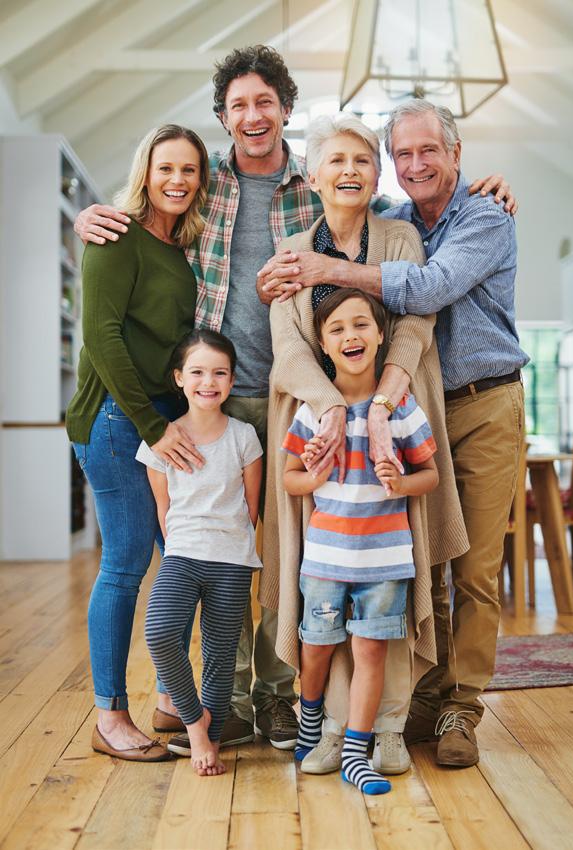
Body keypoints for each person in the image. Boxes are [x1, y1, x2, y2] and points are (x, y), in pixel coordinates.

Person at [73, 45, 517, 756]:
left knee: (348, 558)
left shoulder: (330, 194)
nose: (253, 115)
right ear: (224, 116)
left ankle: (346, 705)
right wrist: (95, 216)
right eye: (239, 105)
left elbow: (402, 250)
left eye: (266, 102)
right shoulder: (201, 180)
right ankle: (220, 699)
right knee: (229, 557)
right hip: (225, 397)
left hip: (343, 403)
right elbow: (152, 203)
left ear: (286, 109)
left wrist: (480, 184)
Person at [260, 99, 528, 768]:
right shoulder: (398, 219)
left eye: (426, 151)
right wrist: (337, 410)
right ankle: (412, 707)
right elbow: (292, 342)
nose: (414, 164)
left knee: (470, 569)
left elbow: (425, 297)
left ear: (455, 156)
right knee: (414, 570)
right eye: (401, 155)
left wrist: (377, 398)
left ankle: (458, 711)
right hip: (387, 415)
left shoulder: (484, 216)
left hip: (473, 404)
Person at [65, 124, 210, 761]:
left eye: (189, 171)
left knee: (179, 561)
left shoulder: (184, 247)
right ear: (145, 172)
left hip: (163, 419)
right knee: (125, 565)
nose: (177, 181)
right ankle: (109, 715)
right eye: (166, 168)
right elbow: (101, 337)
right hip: (116, 420)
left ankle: (172, 700)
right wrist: (154, 427)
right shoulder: (113, 235)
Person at [284, 288, 439, 795]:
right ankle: (310, 723)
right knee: (318, 651)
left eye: (360, 325)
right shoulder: (312, 413)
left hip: (387, 561)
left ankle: (355, 750)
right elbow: (289, 479)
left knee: (371, 653)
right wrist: (314, 472)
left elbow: (431, 475)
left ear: (379, 336)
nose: (350, 335)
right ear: (324, 347)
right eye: (337, 330)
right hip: (325, 560)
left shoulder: (401, 409)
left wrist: (400, 482)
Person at [139, 330, 262, 777]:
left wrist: (231, 542)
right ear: (178, 378)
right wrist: (183, 544)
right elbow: (163, 508)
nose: (208, 382)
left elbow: (252, 506)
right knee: (159, 632)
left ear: (231, 381)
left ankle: (210, 736)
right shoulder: (162, 441)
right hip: (183, 556)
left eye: (219, 373)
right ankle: (195, 724)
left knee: (220, 652)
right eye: (197, 372)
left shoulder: (245, 436)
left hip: (230, 559)